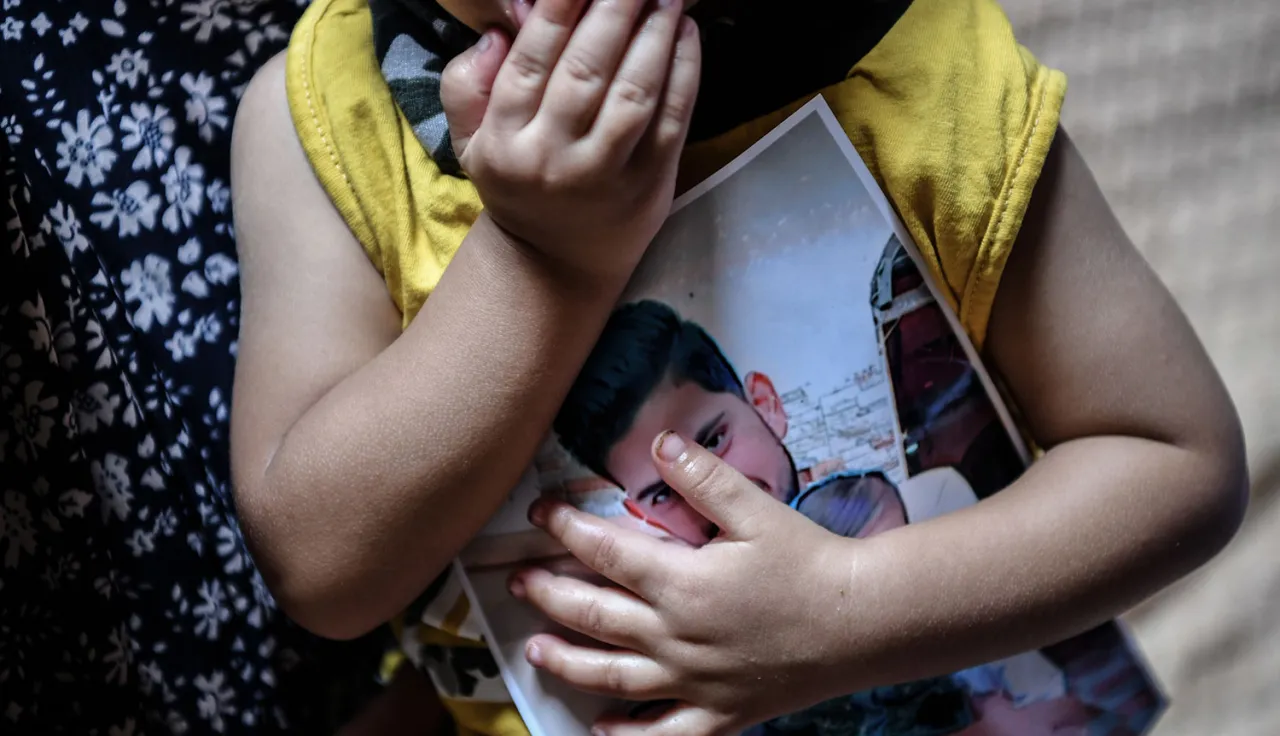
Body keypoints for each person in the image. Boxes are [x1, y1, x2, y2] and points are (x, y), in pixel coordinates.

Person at [229, 0, 1247, 734]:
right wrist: (544, 259)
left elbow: (1177, 462)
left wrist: (840, 609)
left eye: (711, 439)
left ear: (764, 406)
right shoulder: (327, 122)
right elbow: (322, 569)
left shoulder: (910, 63)